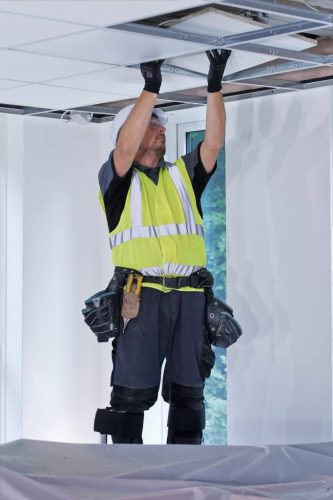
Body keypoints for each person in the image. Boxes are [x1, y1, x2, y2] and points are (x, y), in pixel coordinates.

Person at [97, 50, 231, 445]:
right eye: (154, 124)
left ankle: (184, 473)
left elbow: (214, 142)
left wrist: (214, 86)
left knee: (189, 396)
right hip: (141, 298)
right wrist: (150, 90)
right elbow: (124, 150)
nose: (161, 130)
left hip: (190, 297)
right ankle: (124, 476)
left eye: (160, 125)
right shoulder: (116, 181)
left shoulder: (182, 177)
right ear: (133, 134)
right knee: (130, 396)